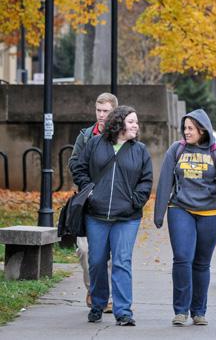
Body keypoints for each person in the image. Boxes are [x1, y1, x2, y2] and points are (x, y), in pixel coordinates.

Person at [154, 109, 216, 327]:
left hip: (212, 214)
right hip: (181, 209)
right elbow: (164, 181)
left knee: (201, 263)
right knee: (182, 258)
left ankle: (198, 311)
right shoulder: (177, 149)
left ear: (202, 129)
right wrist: (159, 211)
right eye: (185, 128)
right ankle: (180, 310)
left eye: (191, 128)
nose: (186, 132)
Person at [72, 105, 153, 326]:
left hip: (127, 218)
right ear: (118, 123)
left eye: (137, 121)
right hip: (96, 215)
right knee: (97, 261)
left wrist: (135, 201)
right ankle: (97, 304)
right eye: (131, 121)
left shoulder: (140, 150)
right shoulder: (95, 144)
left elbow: (146, 181)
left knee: (121, 262)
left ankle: (123, 311)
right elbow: (79, 168)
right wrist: (90, 192)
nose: (136, 125)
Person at [69, 92, 118, 310]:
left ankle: (103, 297)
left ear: (114, 112)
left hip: (113, 202)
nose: (101, 115)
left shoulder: (123, 135)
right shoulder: (86, 136)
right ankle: (93, 289)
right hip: (87, 201)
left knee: (107, 253)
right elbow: (73, 163)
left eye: (105, 111)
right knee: (85, 250)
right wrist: (88, 185)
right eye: (98, 110)